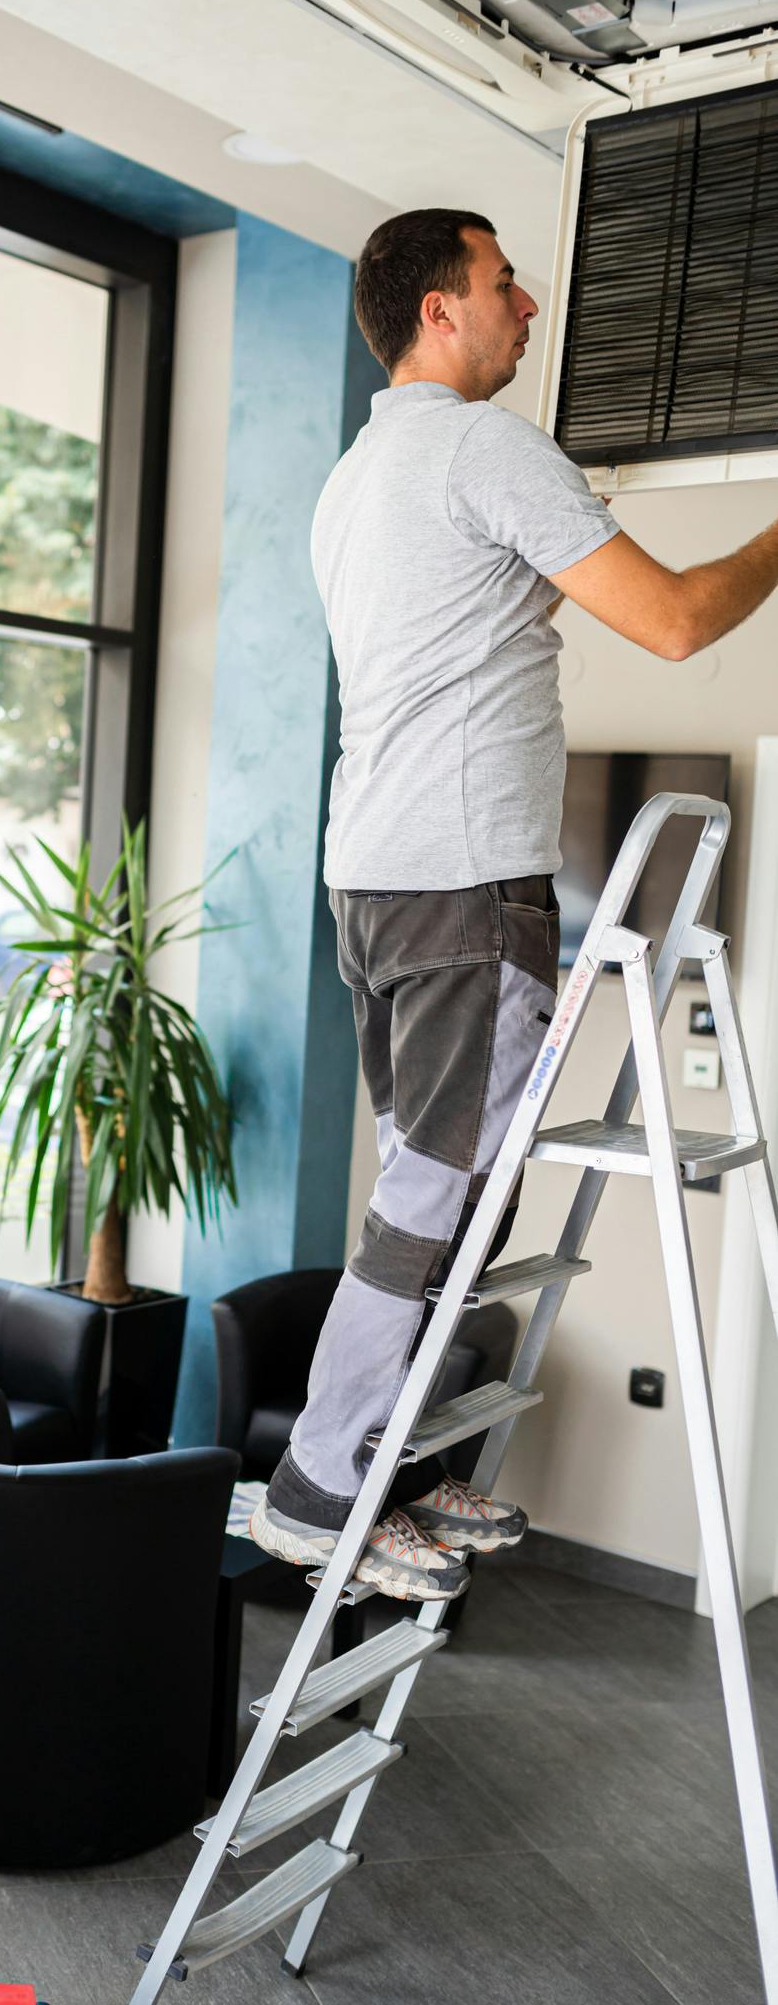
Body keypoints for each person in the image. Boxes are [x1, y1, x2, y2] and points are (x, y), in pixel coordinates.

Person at [251, 207, 778, 1602]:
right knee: (434, 1203)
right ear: (437, 311)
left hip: (370, 877)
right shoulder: (483, 448)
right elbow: (671, 621)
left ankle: (393, 1474)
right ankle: (318, 1490)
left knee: (441, 1198)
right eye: (501, 284)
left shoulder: (355, 476)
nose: (528, 304)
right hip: (463, 881)